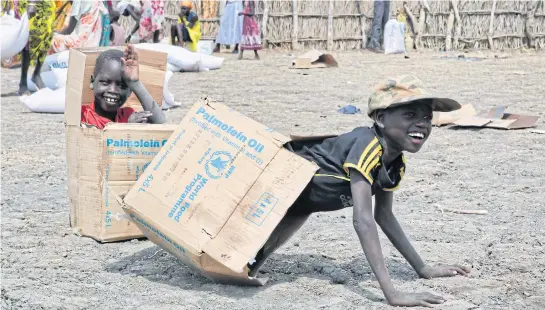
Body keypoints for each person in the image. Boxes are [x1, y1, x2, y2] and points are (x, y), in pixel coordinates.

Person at [248, 75, 472, 307]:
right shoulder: (367, 145)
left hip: (302, 203)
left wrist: (423, 268)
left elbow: (383, 215)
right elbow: (363, 220)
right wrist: (392, 295)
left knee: (246, 265)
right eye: (410, 115)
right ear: (381, 118)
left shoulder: (395, 163)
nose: (422, 123)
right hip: (271, 180)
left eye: (427, 116)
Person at [81, 44, 166, 129]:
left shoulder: (128, 115)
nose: (113, 90)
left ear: (130, 91)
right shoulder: (82, 115)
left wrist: (135, 83)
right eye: (105, 82)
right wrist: (125, 129)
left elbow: (160, 123)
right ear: (92, 81)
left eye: (122, 85)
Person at [2, 0, 55, 95]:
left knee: (46, 36)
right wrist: (32, 3)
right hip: (27, 2)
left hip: (46, 3)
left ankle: (36, 74)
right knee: (27, 36)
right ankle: (23, 83)